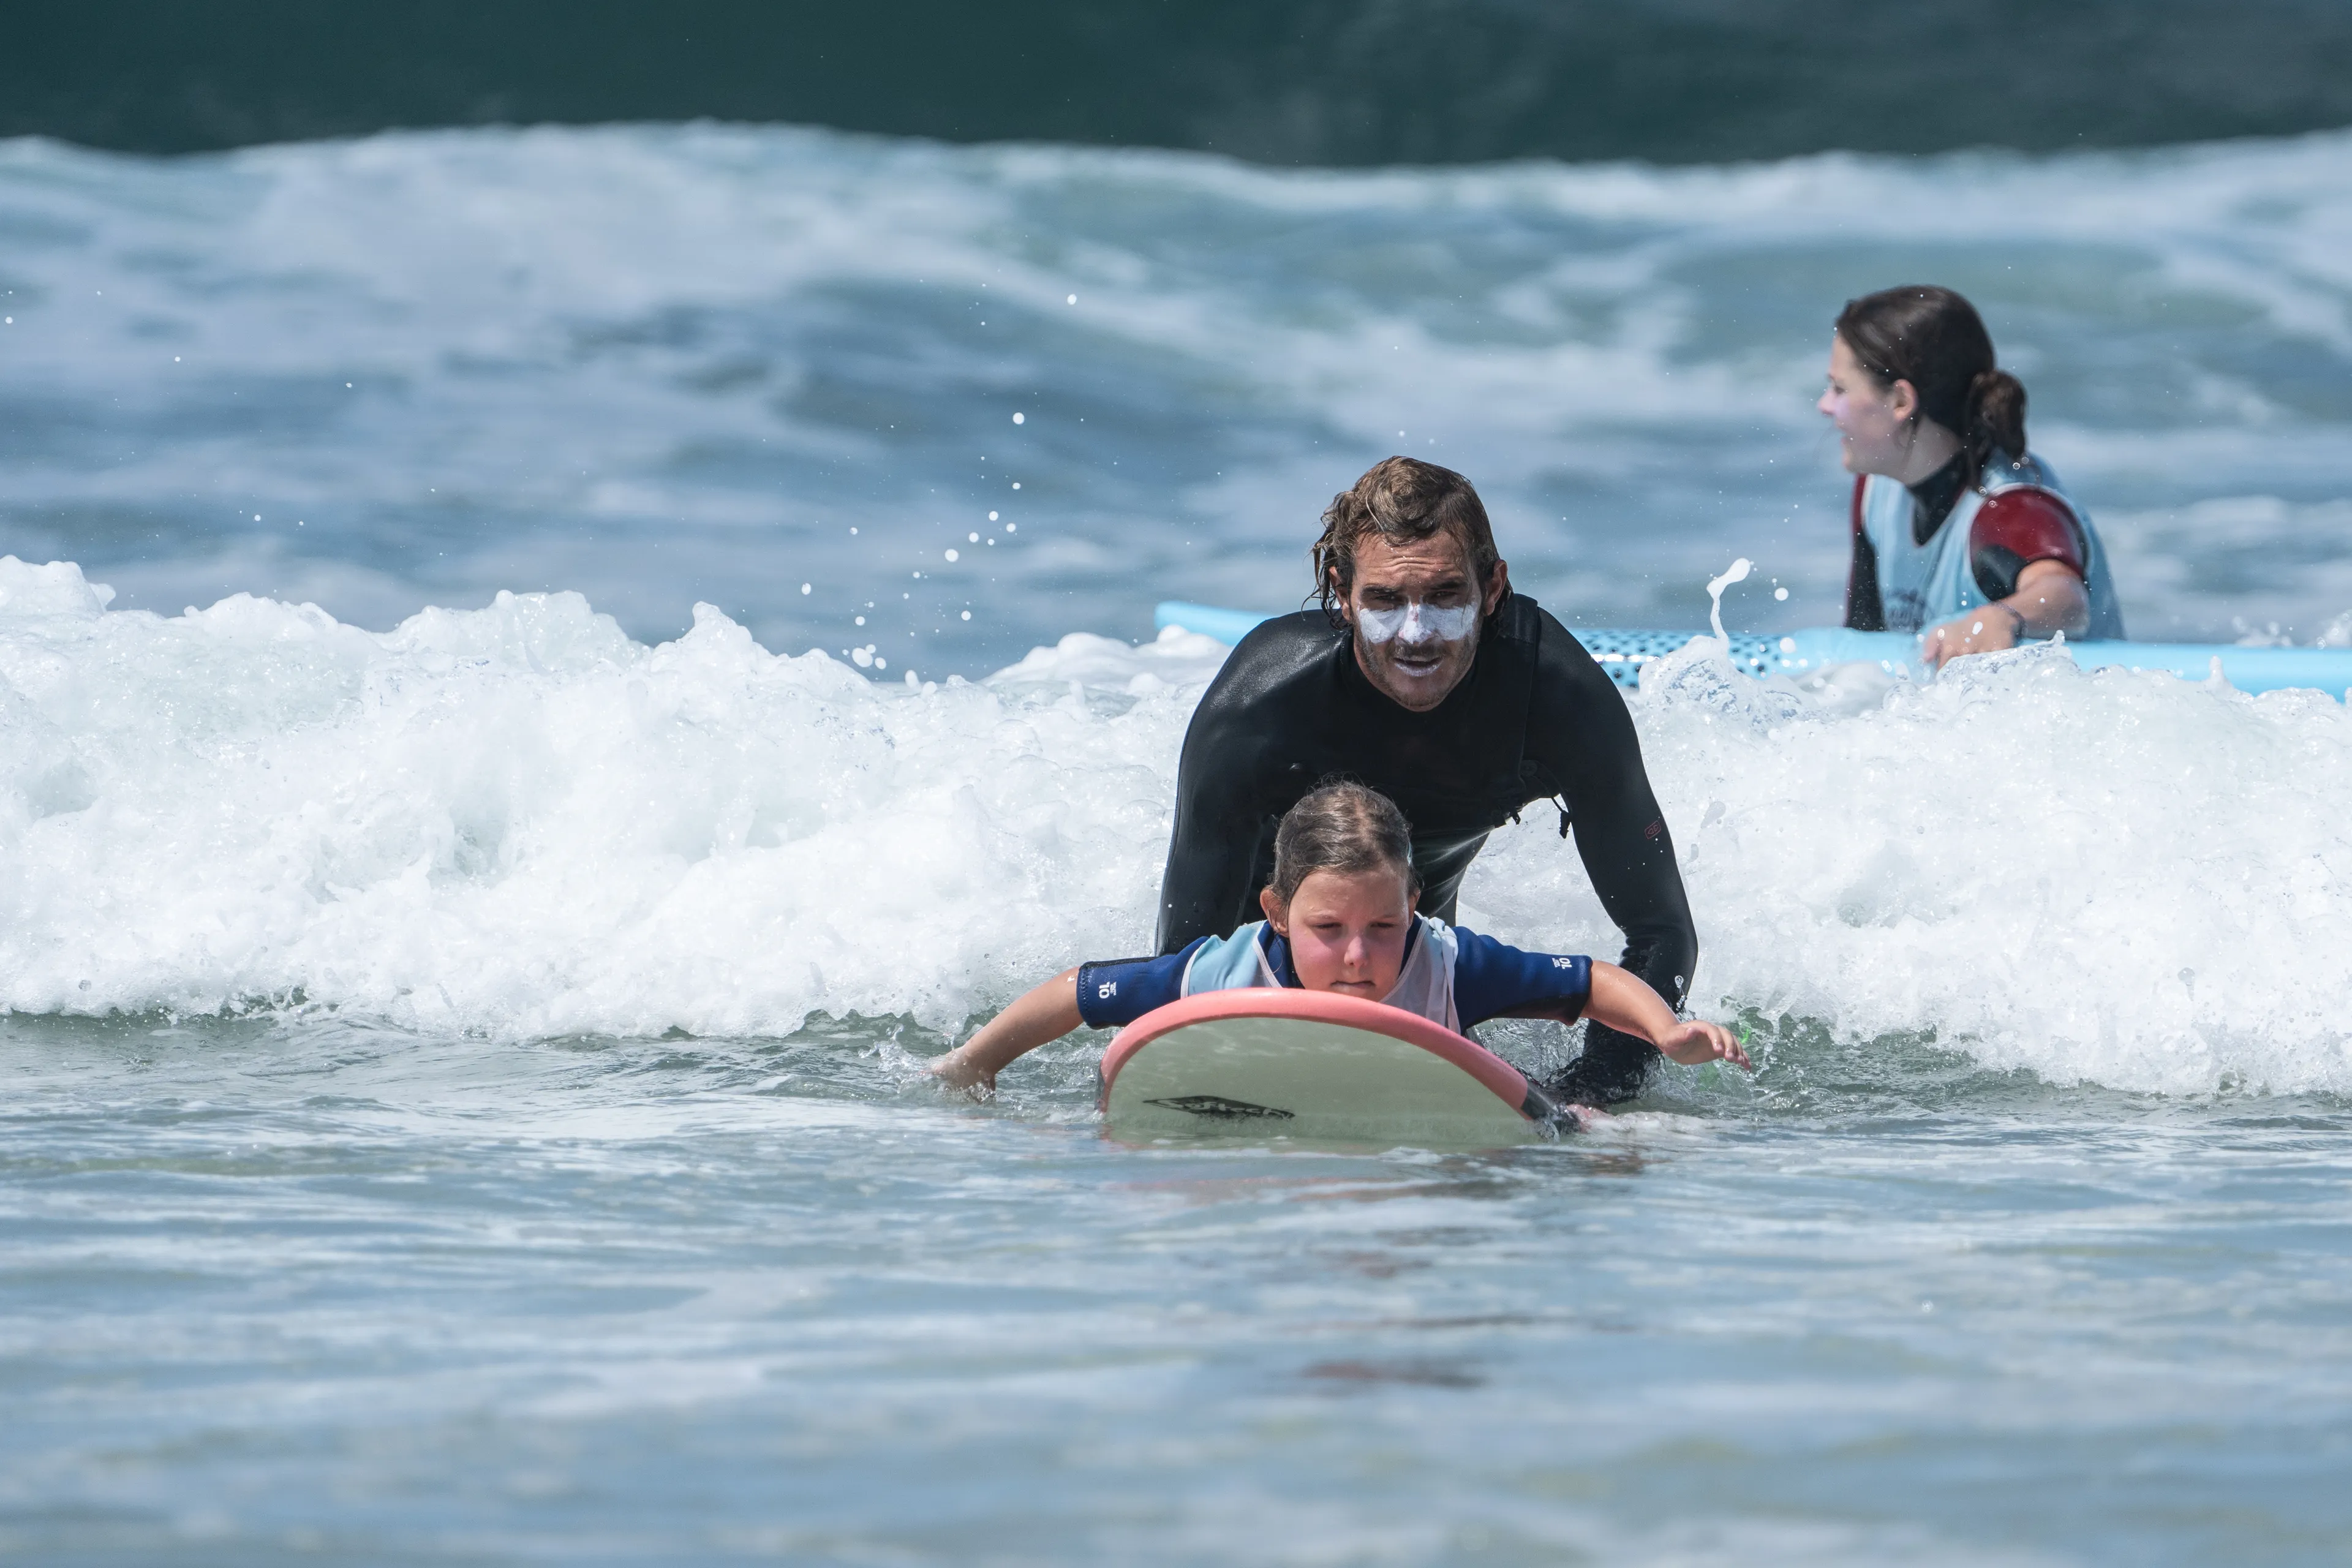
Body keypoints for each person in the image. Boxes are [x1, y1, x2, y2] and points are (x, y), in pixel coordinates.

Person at [1153, 456, 1698, 1109]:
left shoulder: (1555, 699)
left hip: (1414, 970)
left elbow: (1663, 932)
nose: (1416, 635)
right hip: (1265, 965)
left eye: (1445, 596)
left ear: (1492, 588)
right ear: (1341, 593)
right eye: (1385, 599)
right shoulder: (1260, 710)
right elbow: (1184, 964)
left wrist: (1591, 1094)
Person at [931, 782, 1747, 1095]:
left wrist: (1667, 1031)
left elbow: (1591, 982)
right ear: (1277, 913)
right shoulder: (1222, 973)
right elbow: (1079, 992)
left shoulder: (1450, 966)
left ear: (1416, 906)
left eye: (1383, 927)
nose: (1358, 956)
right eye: (1327, 930)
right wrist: (976, 1064)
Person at [1817, 285, 2125, 667]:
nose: (1825, 406)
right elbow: (1860, 649)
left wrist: (2001, 618)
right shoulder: (1877, 489)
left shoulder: (2010, 509)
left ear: (1900, 401)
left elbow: (2066, 598)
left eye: (1839, 388)